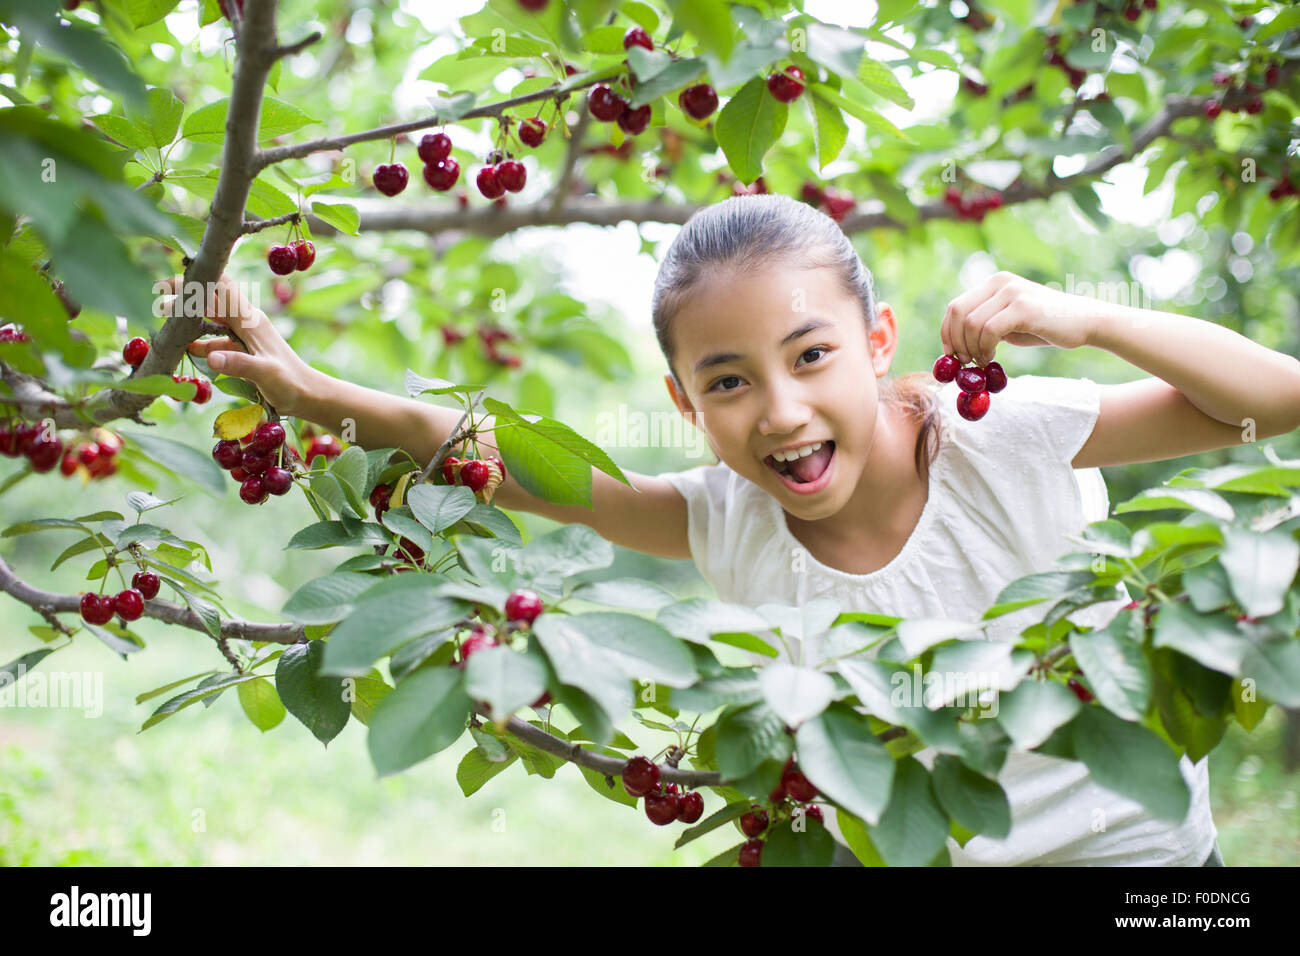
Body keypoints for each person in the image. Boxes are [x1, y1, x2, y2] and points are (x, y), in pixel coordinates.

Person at [172, 193, 1300, 865]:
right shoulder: (723, 519)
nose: (780, 409)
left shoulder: (995, 433)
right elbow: (529, 470)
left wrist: (1084, 315)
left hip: (1142, 861)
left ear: (877, 341)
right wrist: (323, 396)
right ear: (684, 405)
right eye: (727, 380)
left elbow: (1272, 399)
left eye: (811, 353)